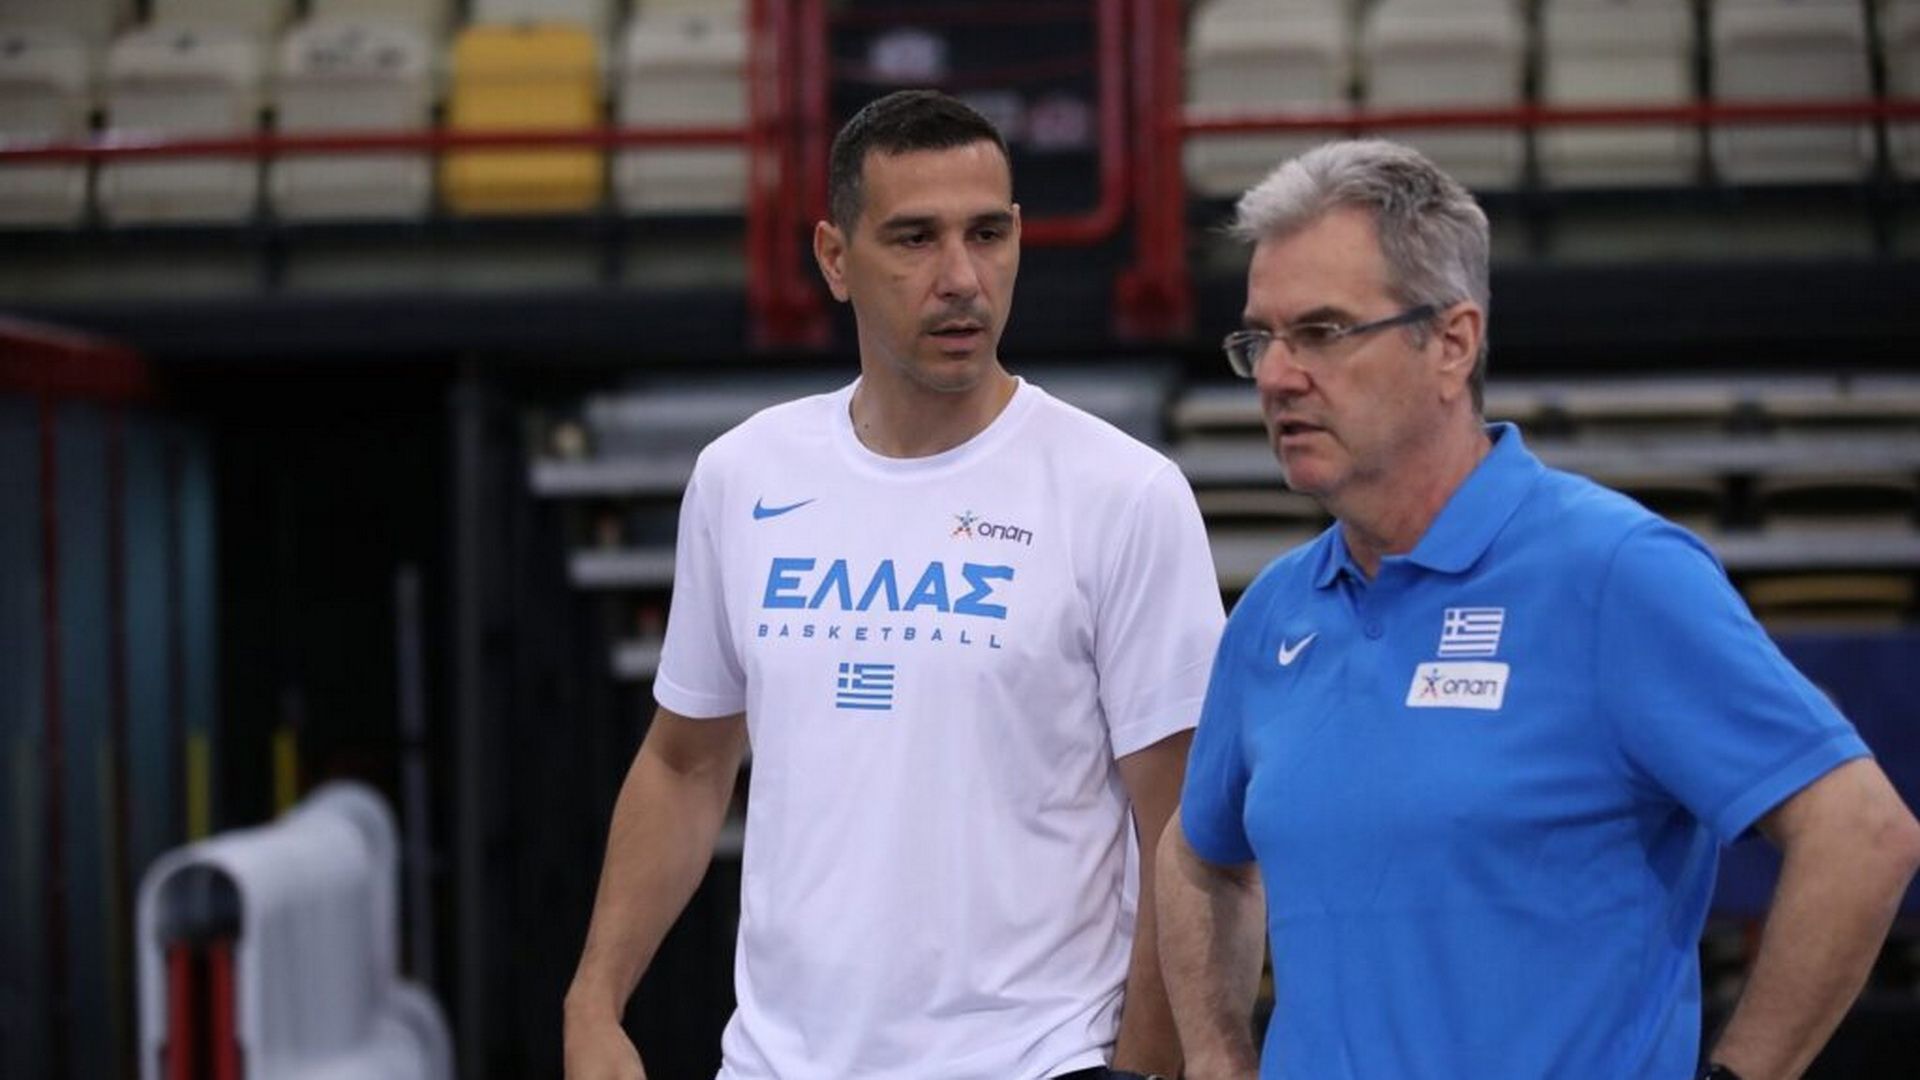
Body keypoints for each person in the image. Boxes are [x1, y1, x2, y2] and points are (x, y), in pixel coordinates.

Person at [1157, 139, 1920, 1080]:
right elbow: (1199, 853)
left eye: (1321, 332)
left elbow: (1861, 835)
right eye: (1260, 340)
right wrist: (1216, 1055)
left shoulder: (1614, 574)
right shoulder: (1277, 611)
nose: (1277, 376)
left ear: (1452, 343)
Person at [564, 90, 1224, 1080]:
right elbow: (684, 764)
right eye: (915, 238)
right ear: (835, 259)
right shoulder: (744, 474)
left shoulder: (1124, 494)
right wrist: (594, 998)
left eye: (987, 234)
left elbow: (1183, 828)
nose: (961, 277)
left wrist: (1142, 1070)